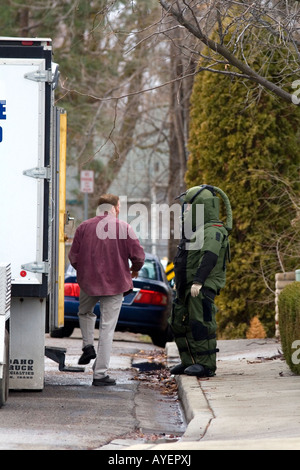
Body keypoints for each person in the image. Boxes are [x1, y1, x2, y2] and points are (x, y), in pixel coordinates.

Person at [68, 194, 145, 386]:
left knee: (84, 312)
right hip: (116, 284)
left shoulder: (83, 227)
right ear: (115, 207)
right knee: (107, 328)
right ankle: (99, 374)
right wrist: (134, 269)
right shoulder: (124, 228)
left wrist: (86, 272)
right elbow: (138, 256)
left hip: (88, 283)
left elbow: (73, 257)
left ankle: (87, 345)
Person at [170, 185, 232, 377]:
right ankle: (189, 361)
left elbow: (210, 257)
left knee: (201, 322)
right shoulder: (194, 231)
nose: (186, 210)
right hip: (185, 285)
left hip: (201, 286)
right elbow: (184, 259)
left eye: (189, 207)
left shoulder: (213, 231)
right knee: (178, 322)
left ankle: (206, 364)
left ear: (201, 207)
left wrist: (198, 281)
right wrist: (178, 282)